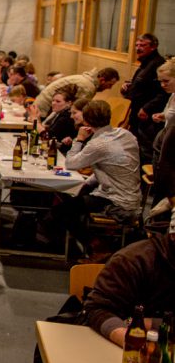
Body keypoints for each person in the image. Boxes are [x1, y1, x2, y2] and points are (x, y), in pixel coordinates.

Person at [51, 100, 141, 258]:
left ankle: (97, 247)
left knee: (61, 211)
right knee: (74, 197)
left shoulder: (98, 144)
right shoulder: (126, 134)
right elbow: (109, 168)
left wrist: (79, 139)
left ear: (86, 121)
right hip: (132, 197)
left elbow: (71, 164)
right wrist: (85, 185)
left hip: (116, 202)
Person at [81, 233, 175, 346]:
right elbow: (97, 309)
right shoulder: (133, 260)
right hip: (120, 341)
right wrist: (135, 344)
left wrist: (154, 323)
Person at [122, 34, 168, 158]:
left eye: (142, 45)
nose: (138, 48)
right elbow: (142, 84)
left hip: (148, 117)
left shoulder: (158, 64)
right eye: (136, 45)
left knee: (145, 149)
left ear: (153, 47)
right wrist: (129, 86)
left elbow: (164, 92)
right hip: (136, 112)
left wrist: (147, 108)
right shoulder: (145, 63)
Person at [34, 67, 120, 117]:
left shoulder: (85, 80)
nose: (109, 88)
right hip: (44, 109)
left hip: (41, 105)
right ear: (102, 80)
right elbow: (79, 109)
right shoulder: (88, 87)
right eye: (110, 84)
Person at [36, 86, 79, 151]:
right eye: (53, 100)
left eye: (58, 101)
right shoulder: (57, 113)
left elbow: (48, 136)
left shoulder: (67, 116)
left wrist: (35, 120)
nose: (53, 103)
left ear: (69, 103)